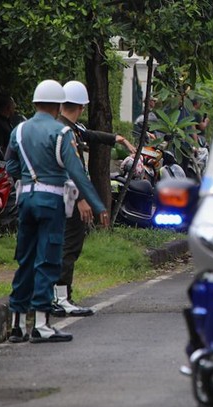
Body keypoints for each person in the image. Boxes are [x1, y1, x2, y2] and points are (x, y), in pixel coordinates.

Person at [4, 80, 109, 343]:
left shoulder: (18, 130)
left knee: (25, 258)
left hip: (25, 200)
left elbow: (10, 166)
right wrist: (97, 204)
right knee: (48, 259)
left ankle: (16, 323)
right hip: (51, 201)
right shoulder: (61, 133)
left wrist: (27, 180)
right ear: (57, 105)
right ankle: (41, 324)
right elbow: (76, 172)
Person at [50, 80, 136, 317]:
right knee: (69, 246)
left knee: (67, 246)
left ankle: (60, 296)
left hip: (64, 198)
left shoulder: (69, 127)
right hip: (69, 198)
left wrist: (116, 138)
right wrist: (81, 200)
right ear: (81, 107)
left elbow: (89, 134)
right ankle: (61, 298)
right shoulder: (65, 131)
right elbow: (70, 170)